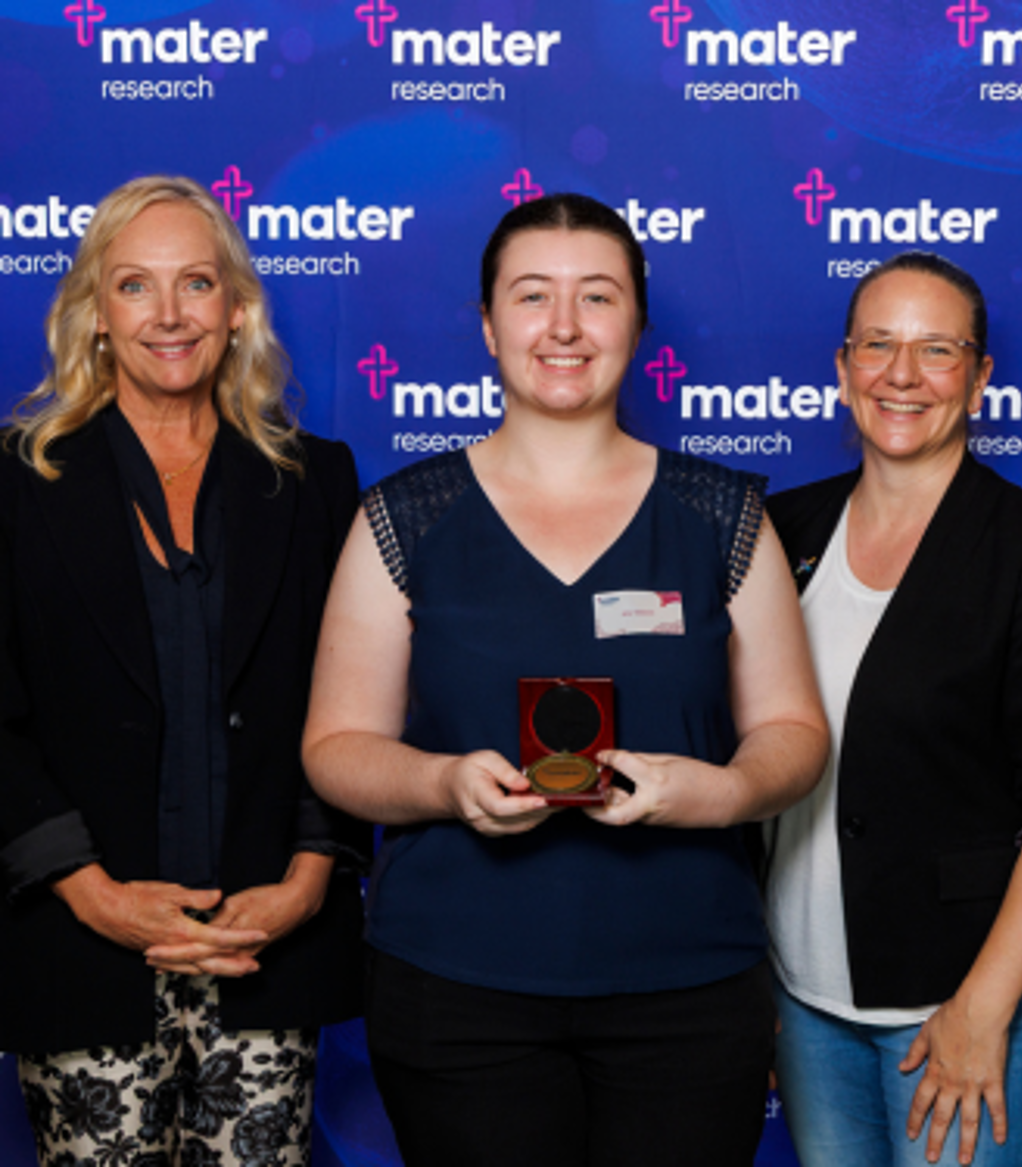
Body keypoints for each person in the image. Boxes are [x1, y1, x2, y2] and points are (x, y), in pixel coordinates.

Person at [301, 192, 827, 1167]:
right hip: (456, 991)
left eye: (597, 297)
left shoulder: (720, 516)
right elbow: (336, 747)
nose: (564, 328)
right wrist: (442, 784)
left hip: (686, 986)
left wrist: (721, 791)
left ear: (636, 322)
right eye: (532, 296)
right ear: (489, 324)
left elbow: (793, 733)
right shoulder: (403, 518)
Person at [0, 175, 367, 1164]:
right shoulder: (12, 480)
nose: (167, 314)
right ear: (93, 316)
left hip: (264, 943)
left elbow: (357, 701)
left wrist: (308, 876)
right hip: (79, 948)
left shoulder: (313, 478)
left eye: (195, 283)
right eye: (134, 286)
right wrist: (84, 889)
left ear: (237, 308)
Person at [764, 251, 1022, 1167]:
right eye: (878, 345)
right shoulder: (783, 531)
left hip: (972, 1003)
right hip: (809, 1005)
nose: (903, 375)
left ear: (980, 378)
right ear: (843, 368)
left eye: (937, 350)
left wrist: (982, 1006)